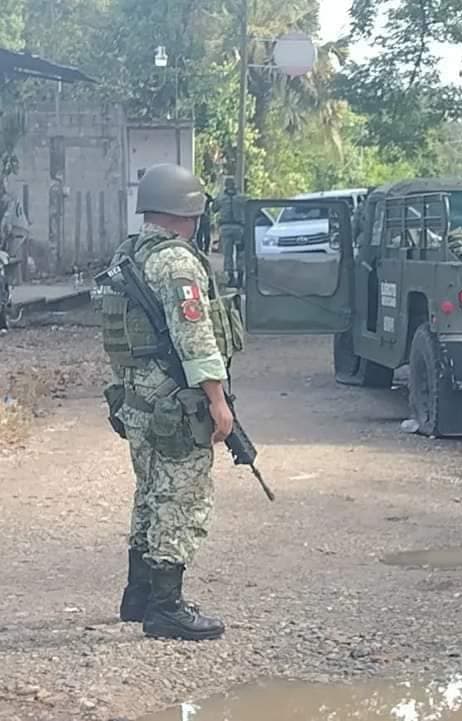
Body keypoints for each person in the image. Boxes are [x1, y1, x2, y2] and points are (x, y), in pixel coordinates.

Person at [100, 163, 243, 641]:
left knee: (149, 493)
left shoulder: (128, 255)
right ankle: (166, 607)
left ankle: (138, 596)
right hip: (173, 405)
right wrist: (218, 403)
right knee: (180, 497)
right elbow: (195, 339)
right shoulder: (177, 263)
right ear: (189, 212)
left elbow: (121, 339)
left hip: (137, 403)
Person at [213, 176, 247, 287]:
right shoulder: (242, 197)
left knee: (227, 254)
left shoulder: (220, 197)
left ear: (225, 185)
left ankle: (231, 278)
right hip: (239, 228)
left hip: (226, 228)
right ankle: (240, 278)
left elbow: (214, 209)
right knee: (240, 254)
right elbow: (249, 207)